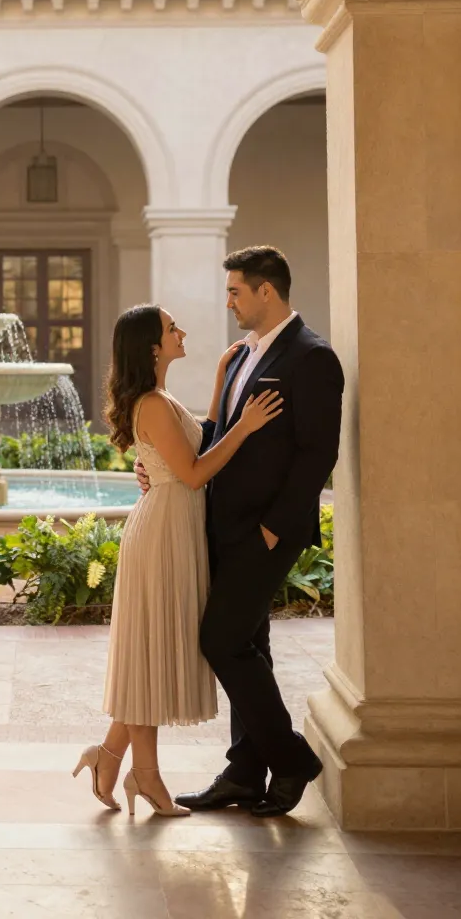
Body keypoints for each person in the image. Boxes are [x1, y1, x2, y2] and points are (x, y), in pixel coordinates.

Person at [142, 245, 343, 818]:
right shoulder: (240, 357)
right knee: (250, 645)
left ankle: (292, 758)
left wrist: (276, 530)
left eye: (235, 291)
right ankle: (244, 771)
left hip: (265, 533)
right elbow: (219, 432)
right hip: (223, 525)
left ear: (266, 291)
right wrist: (156, 462)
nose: (228, 301)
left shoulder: (312, 357)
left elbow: (317, 452)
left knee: (220, 640)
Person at [76, 303, 283, 816]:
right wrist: (248, 426)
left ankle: (113, 759)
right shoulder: (150, 403)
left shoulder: (161, 398)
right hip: (162, 534)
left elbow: (198, 439)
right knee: (150, 655)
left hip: (174, 528)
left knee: (154, 654)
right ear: (152, 345)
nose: (181, 331)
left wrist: (219, 381)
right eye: (172, 328)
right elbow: (193, 473)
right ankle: (142, 776)